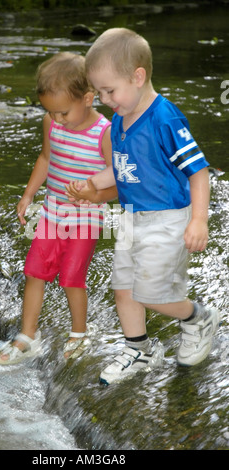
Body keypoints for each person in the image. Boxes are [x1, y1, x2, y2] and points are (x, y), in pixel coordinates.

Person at [66, 28, 220, 385]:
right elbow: (120, 167)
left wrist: (198, 220)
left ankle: (199, 317)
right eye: (100, 92)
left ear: (138, 77)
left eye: (109, 90)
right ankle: (139, 349)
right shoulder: (121, 118)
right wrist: (91, 185)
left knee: (153, 294)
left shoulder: (165, 119)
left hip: (167, 217)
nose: (104, 100)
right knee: (123, 287)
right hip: (132, 218)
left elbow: (198, 172)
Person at [0, 52, 117, 365]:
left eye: (63, 112)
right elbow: (46, 159)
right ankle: (28, 334)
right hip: (52, 214)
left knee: (72, 277)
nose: (57, 120)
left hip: (85, 219)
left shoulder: (104, 134)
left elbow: (120, 183)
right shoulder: (51, 122)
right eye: (51, 112)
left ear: (89, 98)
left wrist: (94, 194)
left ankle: (79, 333)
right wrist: (27, 196)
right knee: (35, 272)